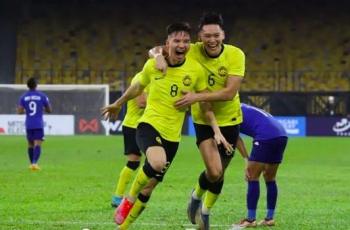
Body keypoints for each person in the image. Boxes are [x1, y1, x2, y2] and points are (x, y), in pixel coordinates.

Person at [101, 22, 232, 230]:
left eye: (186, 41)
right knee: (157, 162)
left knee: (150, 187)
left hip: (173, 136)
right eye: (177, 40)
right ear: (167, 43)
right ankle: (128, 198)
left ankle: (123, 227)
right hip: (149, 124)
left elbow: (205, 106)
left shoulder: (195, 70)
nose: (182, 45)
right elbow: (137, 87)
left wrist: (217, 131)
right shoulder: (153, 65)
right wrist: (118, 104)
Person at [150, 12, 245, 229]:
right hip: (203, 119)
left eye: (216, 35)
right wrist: (157, 57)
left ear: (223, 35)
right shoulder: (191, 50)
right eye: (207, 36)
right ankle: (196, 196)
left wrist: (195, 96)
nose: (212, 40)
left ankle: (205, 209)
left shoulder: (236, 54)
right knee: (214, 171)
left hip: (230, 119)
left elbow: (229, 93)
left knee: (220, 173)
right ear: (200, 37)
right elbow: (156, 49)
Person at [232, 103, 288, 228]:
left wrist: (246, 159)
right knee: (270, 177)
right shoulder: (242, 106)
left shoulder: (229, 110)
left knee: (252, 176)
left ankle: (251, 220)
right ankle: (269, 218)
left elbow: (235, 137)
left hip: (265, 136)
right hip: (281, 134)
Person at [111, 72, 147, 207]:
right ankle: (118, 196)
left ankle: (126, 195)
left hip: (143, 125)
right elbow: (142, 102)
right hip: (134, 125)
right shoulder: (142, 78)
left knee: (148, 162)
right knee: (134, 162)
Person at [17, 77, 52, 171]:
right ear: (36, 85)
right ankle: (34, 163)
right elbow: (49, 110)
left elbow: (19, 111)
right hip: (38, 123)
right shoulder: (42, 96)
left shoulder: (23, 97)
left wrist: (27, 110)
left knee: (30, 144)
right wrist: (42, 108)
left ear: (27, 86)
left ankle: (31, 164)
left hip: (29, 123)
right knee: (38, 144)